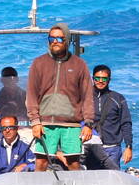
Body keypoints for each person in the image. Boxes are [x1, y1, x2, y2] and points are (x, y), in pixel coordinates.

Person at [26, 22, 95, 171]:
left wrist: (89, 123)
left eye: (59, 39)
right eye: (52, 39)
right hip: (44, 124)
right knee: (41, 162)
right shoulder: (38, 63)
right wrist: (35, 122)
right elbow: (31, 95)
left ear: (67, 41)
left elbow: (87, 96)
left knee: (73, 163)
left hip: (71, 124)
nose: (55, 42)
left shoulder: (79, 64)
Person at [88, 65, 134, 167]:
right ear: (92, 79)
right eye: (97, 78)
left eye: (104, 78)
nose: (100, 81)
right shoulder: (84, 97)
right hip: (91, 147)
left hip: (112, 149)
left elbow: (126, 123)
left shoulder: (118, 98)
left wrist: (129, 146)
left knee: (112, 180)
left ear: (109, 80)